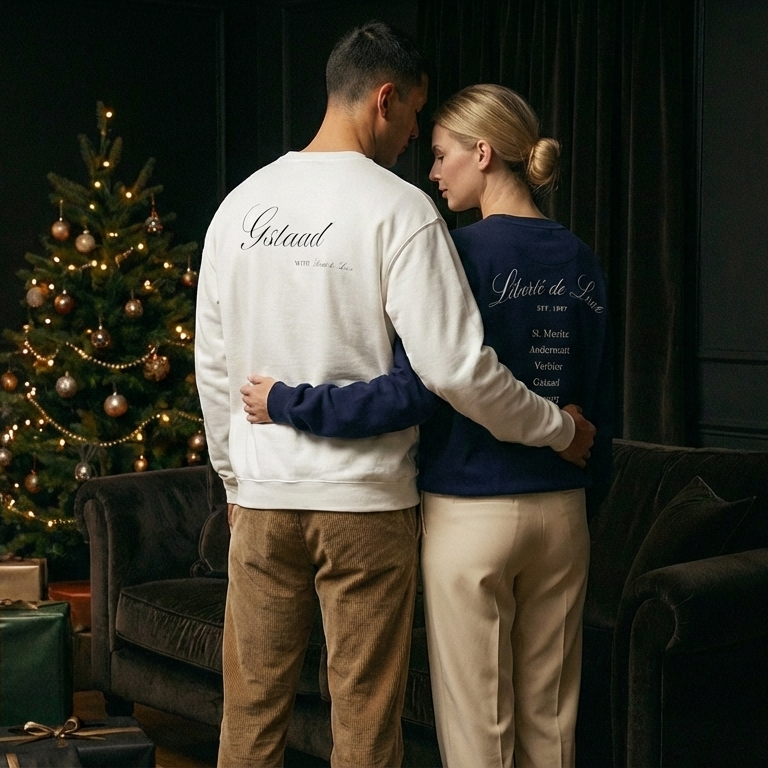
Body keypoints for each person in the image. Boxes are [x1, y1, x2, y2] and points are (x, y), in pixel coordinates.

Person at [195, 18, 595, 768]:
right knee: (365, 727)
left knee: (248, 715)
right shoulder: (403, 211)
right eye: (414, 113)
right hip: (367, 505)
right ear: (384, 98)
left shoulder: (238, 207)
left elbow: (214, 366)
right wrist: (555, 428)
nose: (415, 136)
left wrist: (234, 479)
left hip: (264, 495)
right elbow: (453, 372)